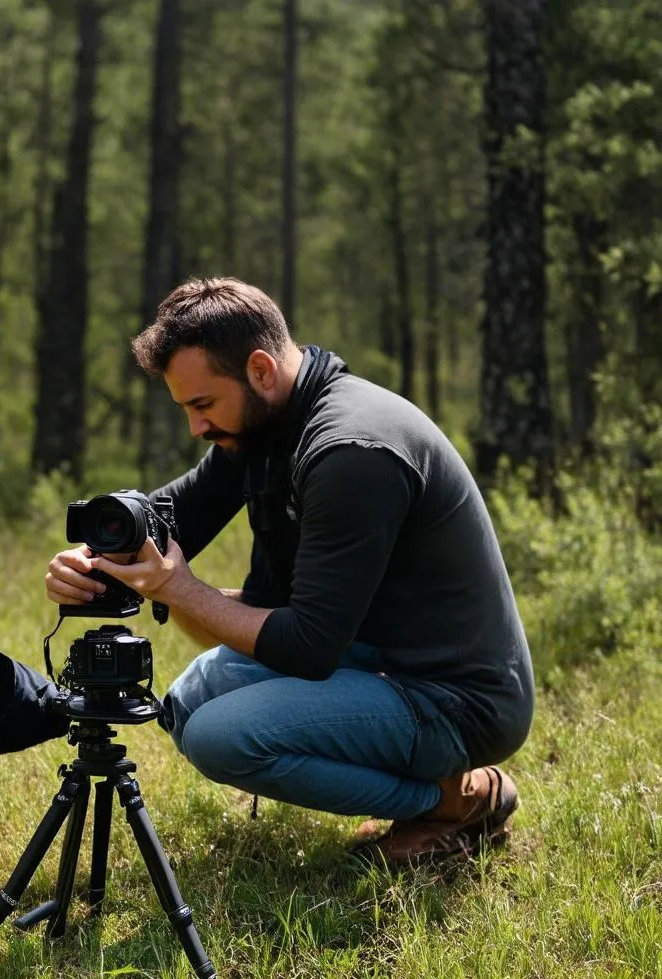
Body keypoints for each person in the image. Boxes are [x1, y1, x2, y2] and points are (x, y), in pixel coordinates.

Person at [45, 277, 534, 864]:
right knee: (187, 704)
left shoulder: (350, 450)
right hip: (378, 658)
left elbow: (307, 647)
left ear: (259, 370)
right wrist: (95, 562)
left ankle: (456, 798)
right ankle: (440, 791)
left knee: (218, 736)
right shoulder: (267, 425)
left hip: (456, 700)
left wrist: (181, 590)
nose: (196, 428)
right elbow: (171, 518)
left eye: (202, 405)